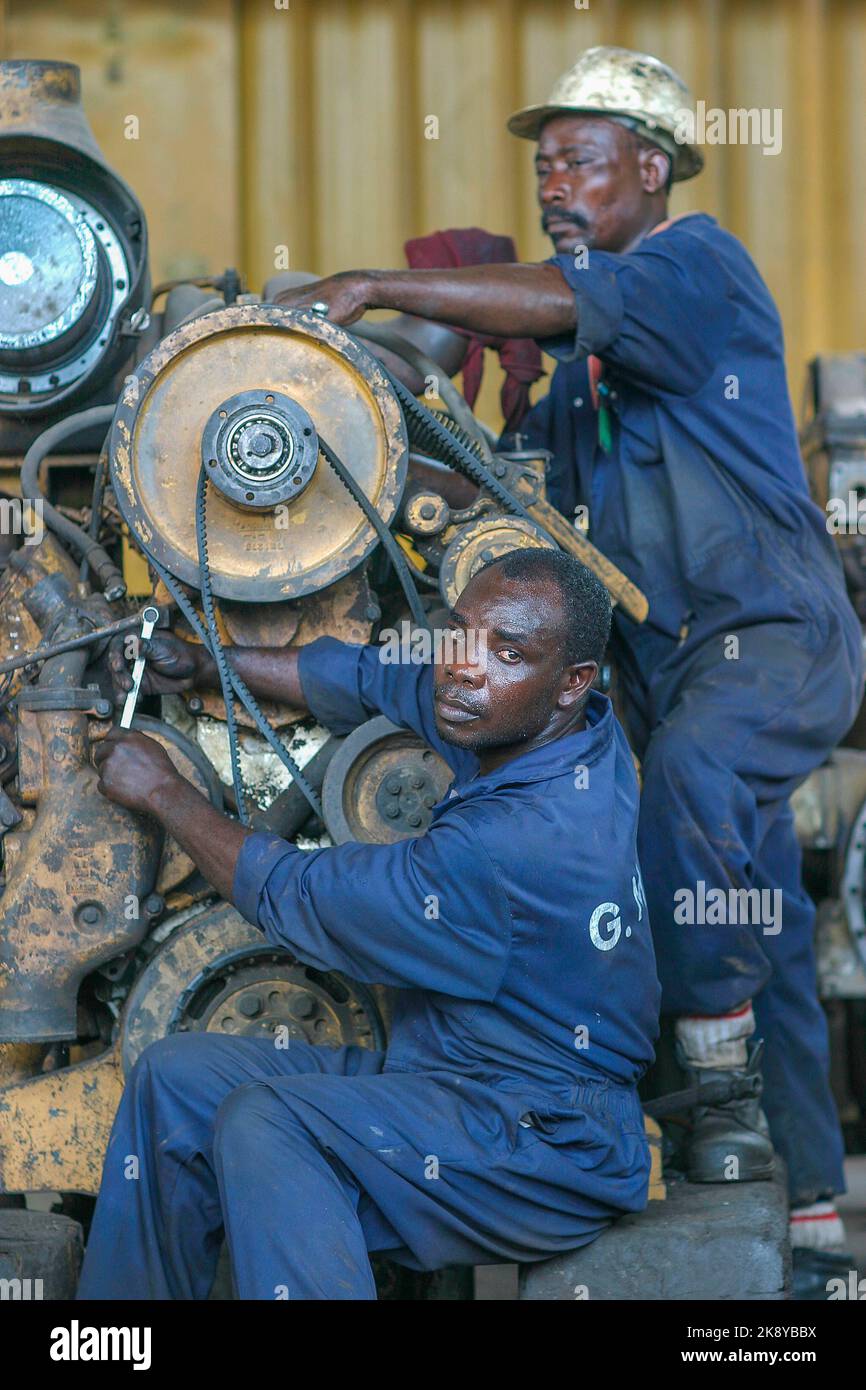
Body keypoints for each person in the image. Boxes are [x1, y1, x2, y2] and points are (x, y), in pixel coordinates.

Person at [270, 46, 864, 1272]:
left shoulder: (689, 267)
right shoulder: (574, 388)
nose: (554, 184)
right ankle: (802, 1201)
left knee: (693, 784)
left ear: (650, 170)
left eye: (579, 162)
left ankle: (703, 1081)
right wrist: (338, 444)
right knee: (739, 901)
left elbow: (553, 294)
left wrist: (375, 285)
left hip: (767, 642)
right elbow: (493, 491)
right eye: (541, 166)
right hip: (662, 667)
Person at [78, 550, 661, 1300]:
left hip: (546, 1145)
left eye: (508, 652)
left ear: (571, 682)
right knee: (178, 1080)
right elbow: (372, 679)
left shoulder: (513, 843)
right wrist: (203, 664)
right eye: (459, 635)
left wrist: (163, 790)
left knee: (271, 1123)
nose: (463, 668)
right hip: (456, 1083)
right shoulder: (566, 735)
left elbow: (297, 894)